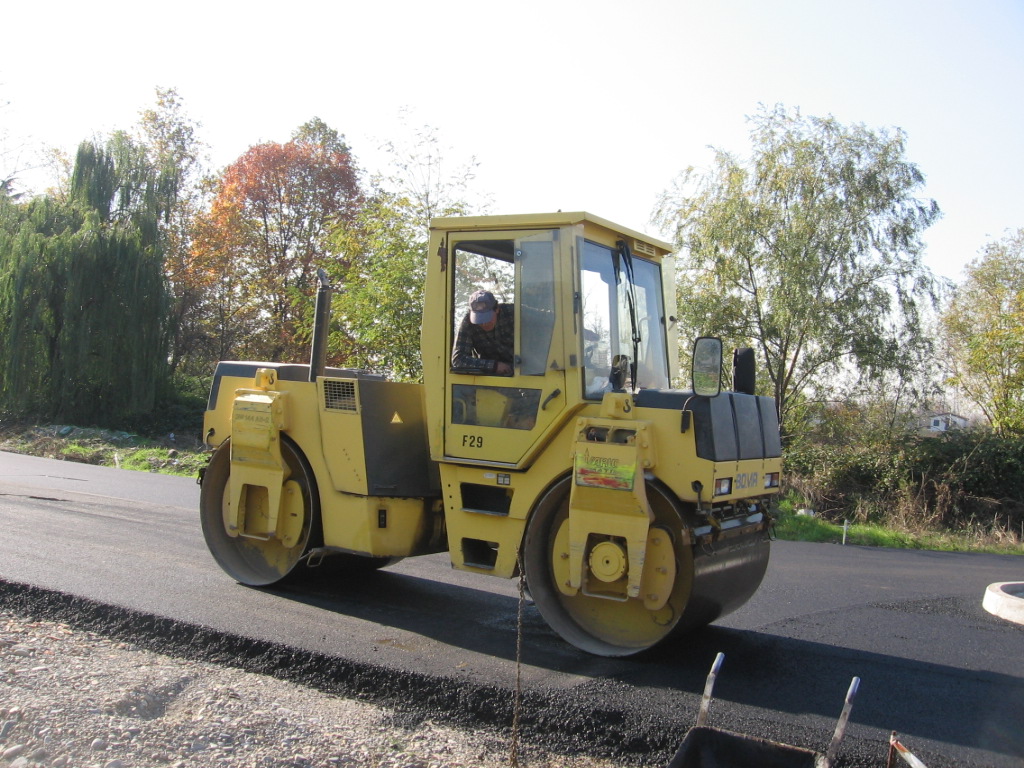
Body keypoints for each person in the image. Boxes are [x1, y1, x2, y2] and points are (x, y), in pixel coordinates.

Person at [451, 289, 514, 375]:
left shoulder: (513, 312)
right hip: (487, 378)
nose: (484, 323)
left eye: (487, 318)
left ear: (497, 309)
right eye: (479, 319)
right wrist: (493, 366)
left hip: (525, 376)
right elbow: (458, 359)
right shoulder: (468, 322)